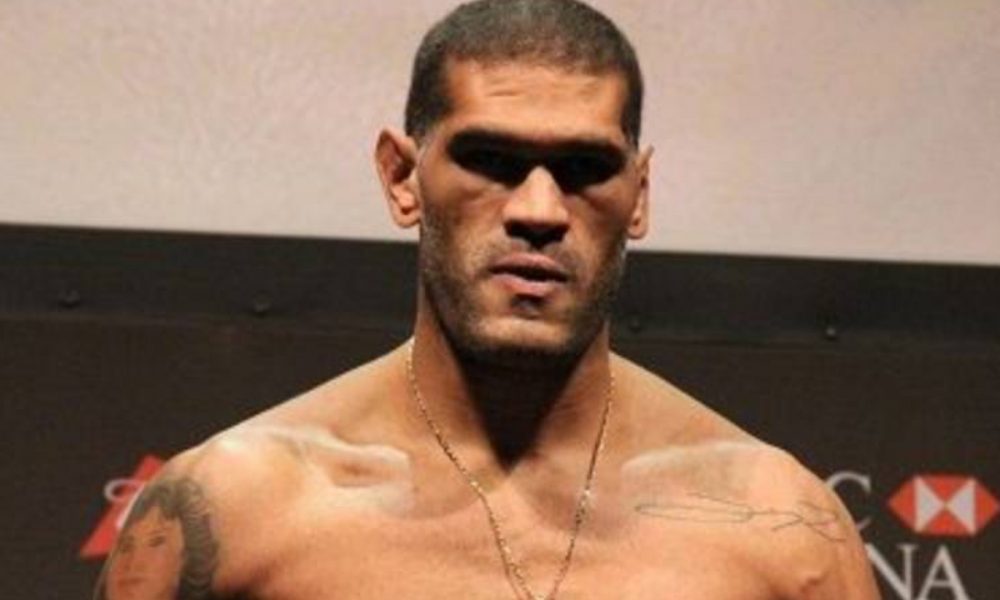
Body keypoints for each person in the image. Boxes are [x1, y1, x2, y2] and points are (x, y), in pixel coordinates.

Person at [93, 0, 881, 598]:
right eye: (491, 160)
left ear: (639, 196)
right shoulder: (236, 510)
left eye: (585, 168)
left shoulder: (785, 532)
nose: (539, 210)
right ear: (402, 178)